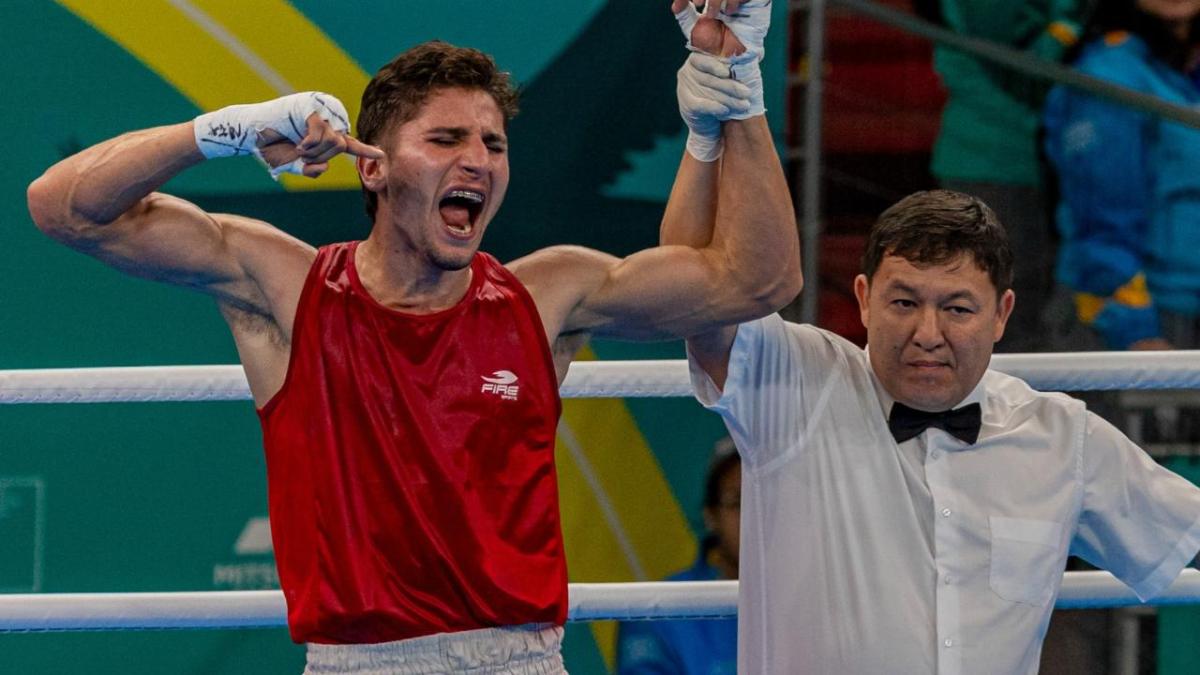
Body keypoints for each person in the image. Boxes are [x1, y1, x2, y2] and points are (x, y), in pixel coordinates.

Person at [25, 2, 798, 672]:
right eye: (447, 139)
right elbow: (62, 206)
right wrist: (228, 130)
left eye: (493, 145)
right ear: (372, 169)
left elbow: (759, 283)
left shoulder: (547, 293)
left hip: (520, 659)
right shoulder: (289, 288)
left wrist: (741, 92)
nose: (478, 161)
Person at [676, 189, 1200, 674]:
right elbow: (696, 290)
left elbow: (1187, 531)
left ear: (1001, 314)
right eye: (904, 303)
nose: (928, 335)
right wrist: (709, 142)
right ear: (863, 299)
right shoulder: (796, 386)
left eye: (957, 309)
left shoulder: (1061, 437)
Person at [924, 0, 1086, 353]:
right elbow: (1025, 72)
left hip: (1036, 162)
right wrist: (1073, 22)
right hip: (994, 164)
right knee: (1007, 312)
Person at [1044, 0, 1200, 353]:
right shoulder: (1107, 75)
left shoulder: (1186, 67)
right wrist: (1133, 329)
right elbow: (1099, 215)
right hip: (1148, 320)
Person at [615, 439, 740, 675]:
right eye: (738, 502)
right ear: (711, 516)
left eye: (765, 501)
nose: (754, 518)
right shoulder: (656, 612)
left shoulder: (810, 603)